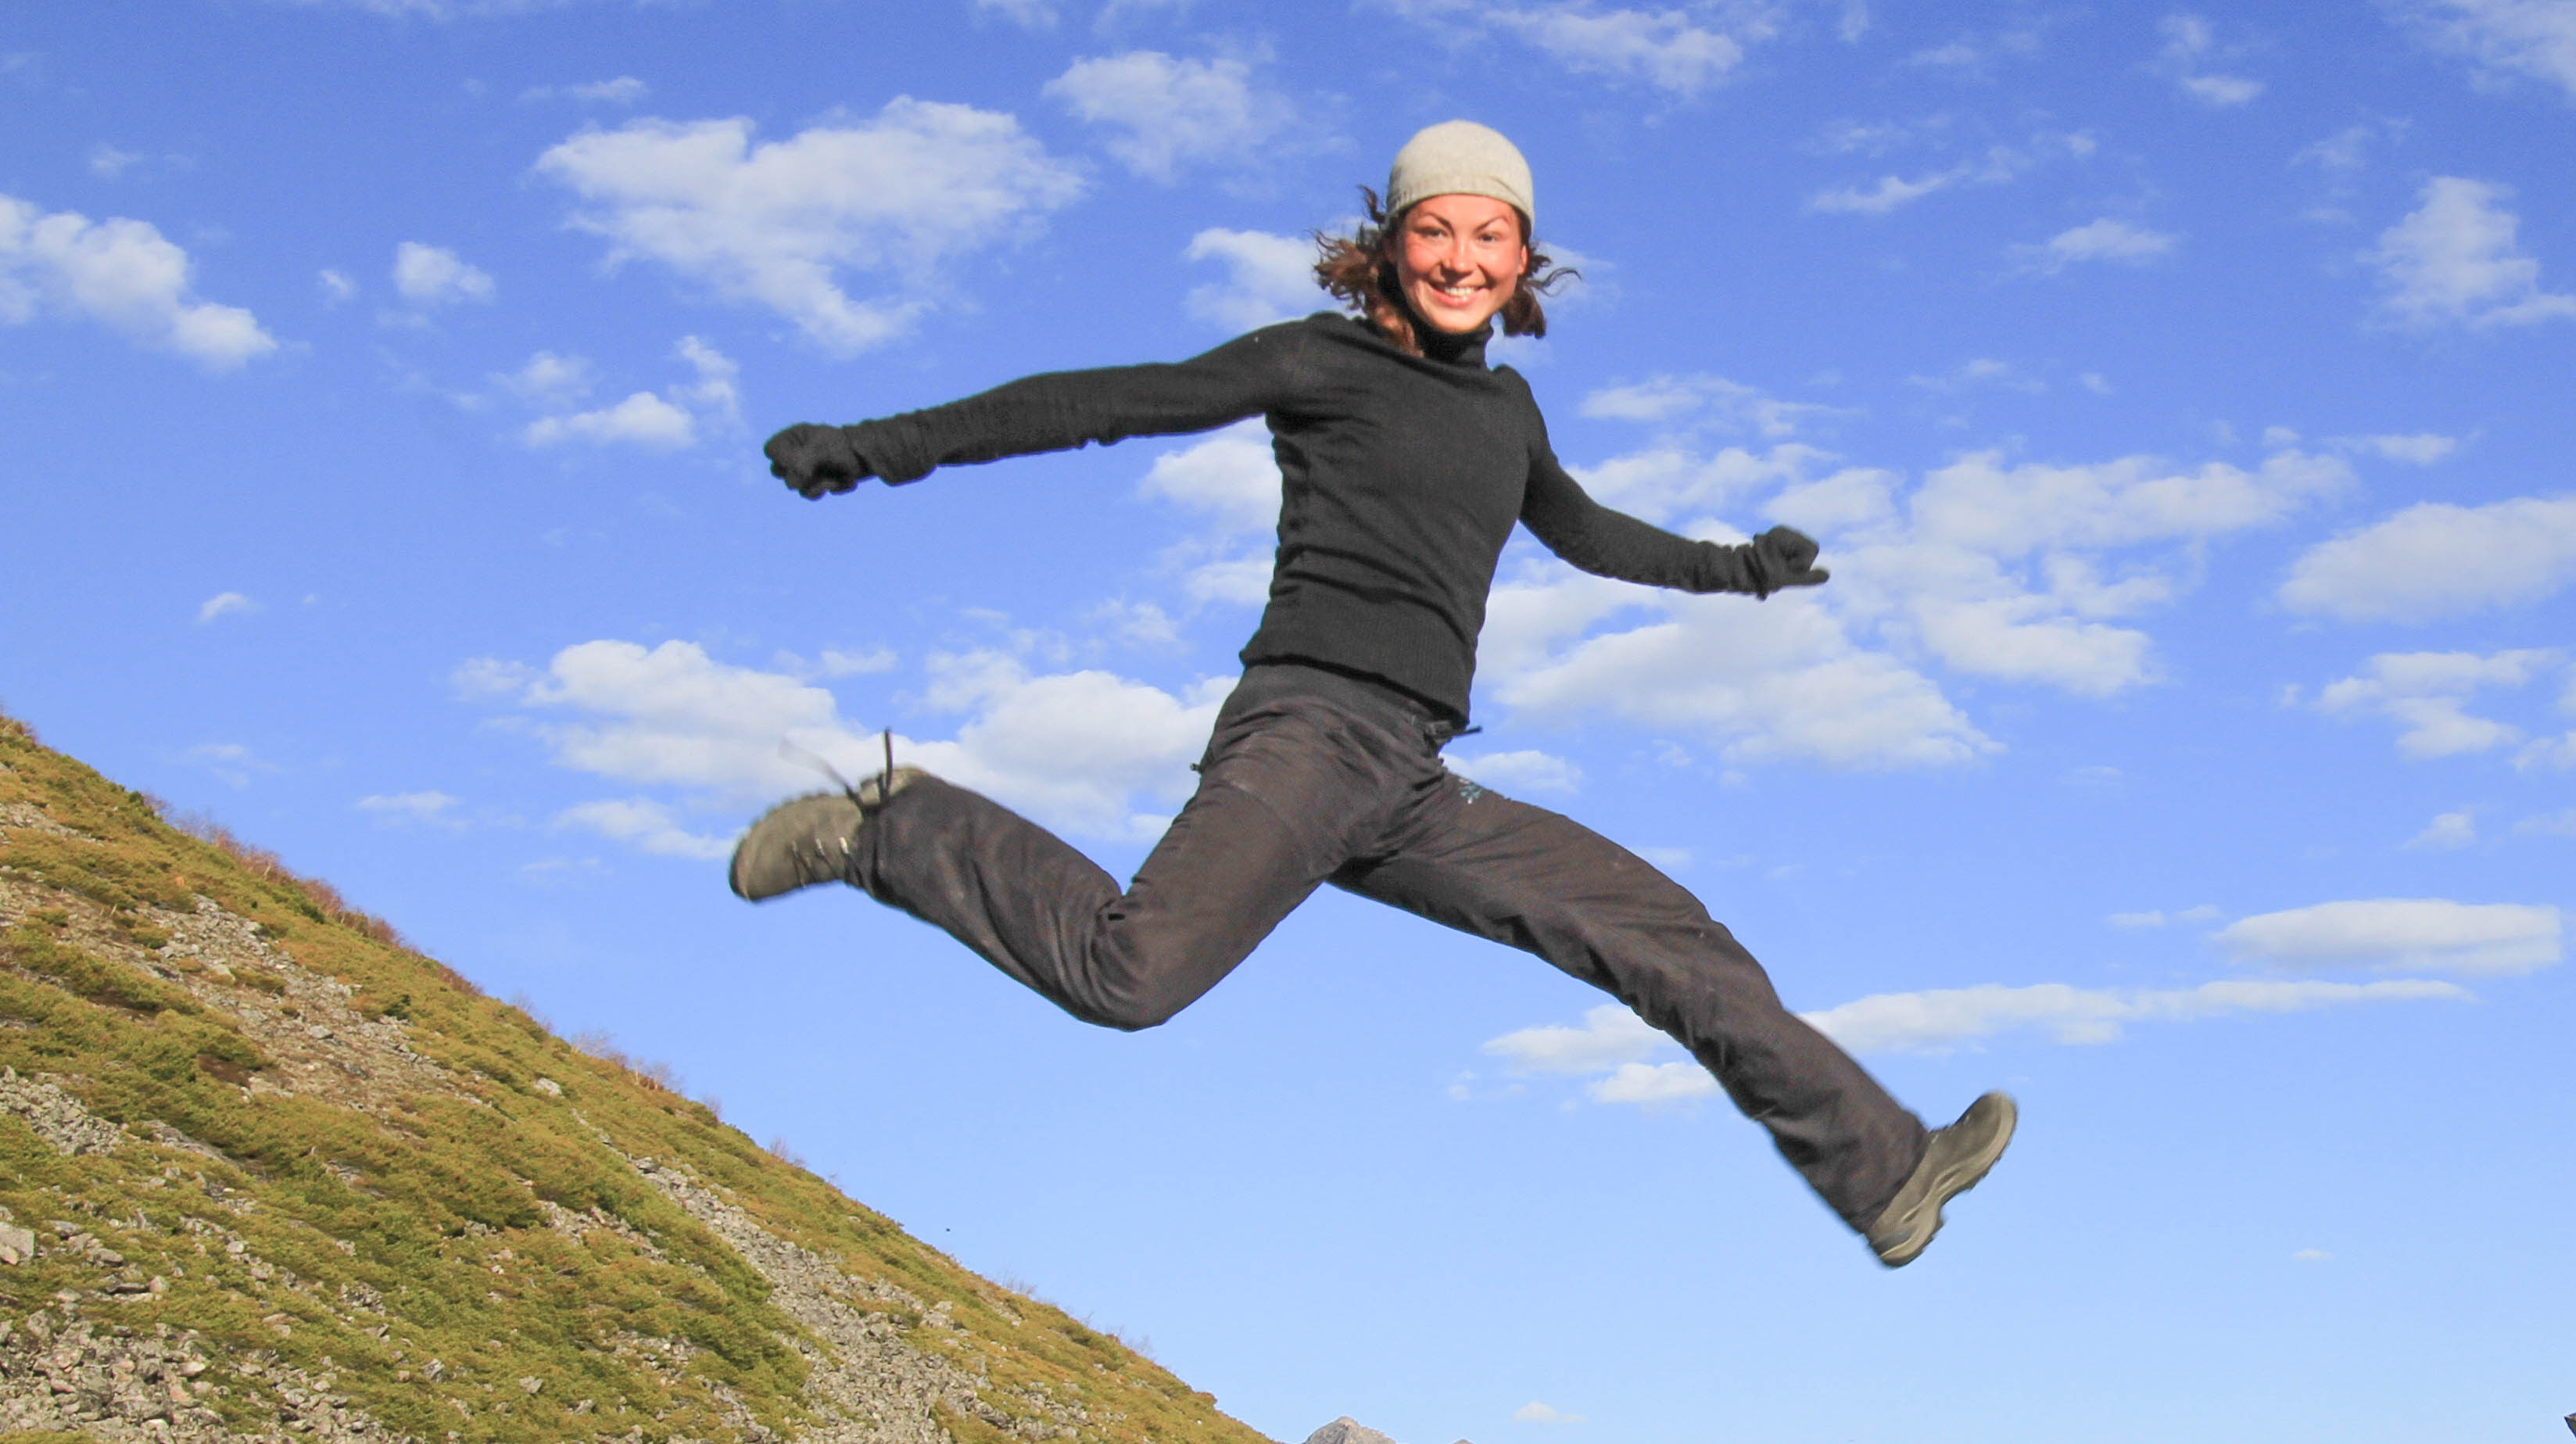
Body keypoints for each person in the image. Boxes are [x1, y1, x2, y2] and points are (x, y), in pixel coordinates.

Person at [728, 120, 2014, 1267]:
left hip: (1408, 781)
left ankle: (1887, 1173)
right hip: (1307, 731)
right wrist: (879, 448)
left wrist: (1740, 571)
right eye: (1436, 229)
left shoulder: (1508, 416)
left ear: (1525, 260)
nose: (1463, 256)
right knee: (1133, 976)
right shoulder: (1319, 364)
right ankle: (888, 831)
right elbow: (1109, 403)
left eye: (1491, 234)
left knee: (1666, 937)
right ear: (1389, 246)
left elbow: (1587, 533)